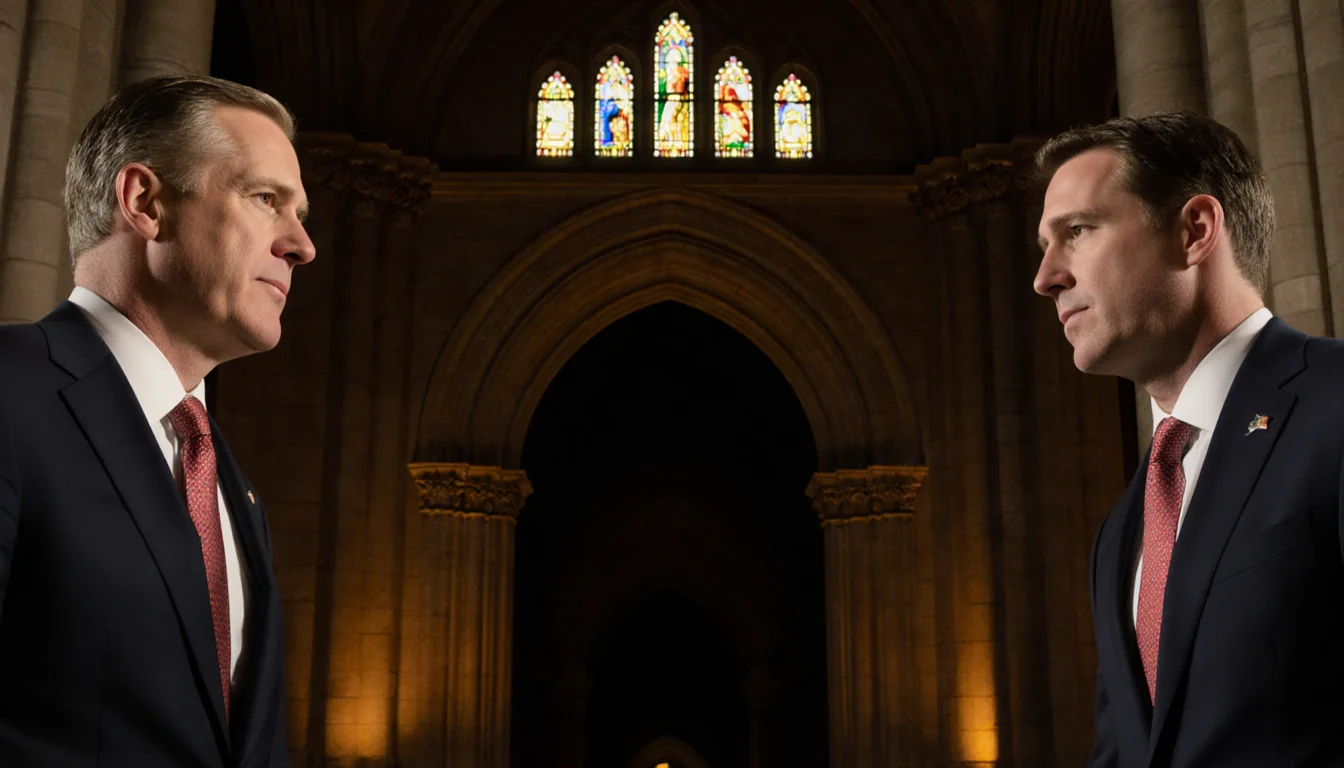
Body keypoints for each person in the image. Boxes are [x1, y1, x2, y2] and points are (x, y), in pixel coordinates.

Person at [0, 75, 315, 766]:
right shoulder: (11, 391)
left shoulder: (231, 488)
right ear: (145, 203)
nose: (302, 245)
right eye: (268, 201)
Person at [1033, 111, 1344, 767]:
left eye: (1077, 232)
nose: (1046, 277)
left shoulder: (1333, 405)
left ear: (1194, 232)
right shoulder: (1124, 527)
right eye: (1045, 246)